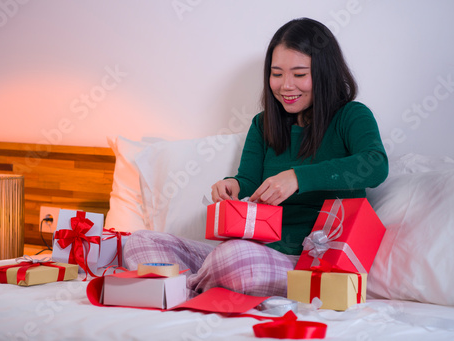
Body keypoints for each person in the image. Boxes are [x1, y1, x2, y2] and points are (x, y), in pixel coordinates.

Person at [124, 17, 388, 298]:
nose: (286, 86)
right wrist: (232, 187)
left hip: (308, 264)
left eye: (299, 74)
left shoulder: (351, 116)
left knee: (235, 259)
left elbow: (375, 165)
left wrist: (297, 178)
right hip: (254, 252)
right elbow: (248, 181)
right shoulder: (263, 124)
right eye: (277, 74)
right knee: (138, 241)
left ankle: (180, 286)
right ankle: (200, 283)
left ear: (325, 72)